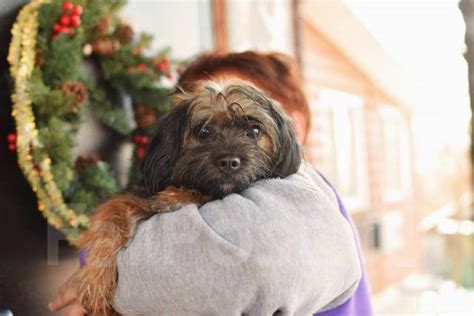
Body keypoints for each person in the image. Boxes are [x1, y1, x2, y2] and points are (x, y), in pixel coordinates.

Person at [50, 51, 372, 315]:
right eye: (204, 131)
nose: (230, 153)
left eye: (251, 129)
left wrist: (112, 275)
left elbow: (226, 273)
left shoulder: (305, 196)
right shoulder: (185, 188)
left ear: (291, 124)